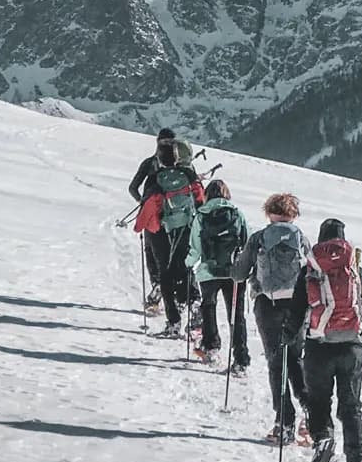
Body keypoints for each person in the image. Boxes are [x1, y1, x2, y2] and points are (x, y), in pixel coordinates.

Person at [299, 217, 362, 462]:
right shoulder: (355, 269)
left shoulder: (312, 267)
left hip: (318, 346)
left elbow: (297, 307)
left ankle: (323, 438)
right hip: (351, 347)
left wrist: (289, 336)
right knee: (351, 407)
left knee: (318, 401)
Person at [240, 193, 311, 445]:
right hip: (298, 305)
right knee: (295, 357)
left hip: (267, 304)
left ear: (269, 212)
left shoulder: (259, 237)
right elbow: (312, 271)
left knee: (275, 360)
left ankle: (284, 422)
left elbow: (239, 273)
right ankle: (309, 408)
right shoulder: (301, 238)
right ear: (293, 214)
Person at [131, 130, 204, 337]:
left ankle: (173, 320)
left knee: (164, 271)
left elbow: (137, 193)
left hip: (159, 229)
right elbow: (200, 200)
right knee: (183, 266)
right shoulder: (188, 173)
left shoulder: (154, 174)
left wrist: (142, 210)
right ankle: (192, 302)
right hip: (185, 227)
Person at [189, 180, 252, 372]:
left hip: (209, 271)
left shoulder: (201, 215)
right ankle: (240, 359)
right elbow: (247, 242)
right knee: (237, 315)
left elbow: (195, 246)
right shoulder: (237, 213)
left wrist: (188, 264)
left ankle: (211, 347)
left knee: (209, 307)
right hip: (234, 273)